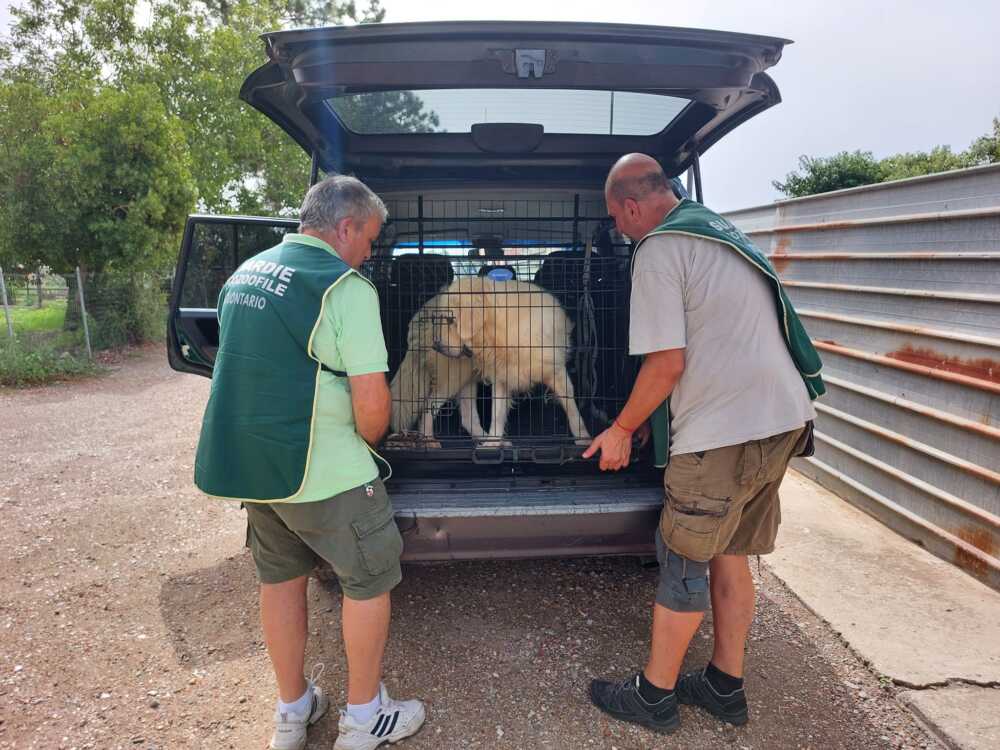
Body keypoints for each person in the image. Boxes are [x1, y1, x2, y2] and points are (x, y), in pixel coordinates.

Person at [584, 153, 823, 734]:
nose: (619, 230)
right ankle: (723, 684)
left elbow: (667, 363)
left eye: (617, 219)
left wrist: (619, 429)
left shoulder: (661, 250)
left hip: (724, 434)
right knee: (730, 550)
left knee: (683, 560)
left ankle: (655, 695)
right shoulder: (720, 232)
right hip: (781, 419)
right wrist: (644, 419)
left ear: (632, 206)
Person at [193, 175, 425, 750]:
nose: (371, 252)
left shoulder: (243, 276)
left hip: (259, 471)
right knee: (368, 582)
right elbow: (373, 406)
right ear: (344, 228)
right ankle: (366, 717)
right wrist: (375, 447)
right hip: (327, 473)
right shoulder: (345, 288)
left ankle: (293, 712)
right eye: (369, 239)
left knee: (280, 583)